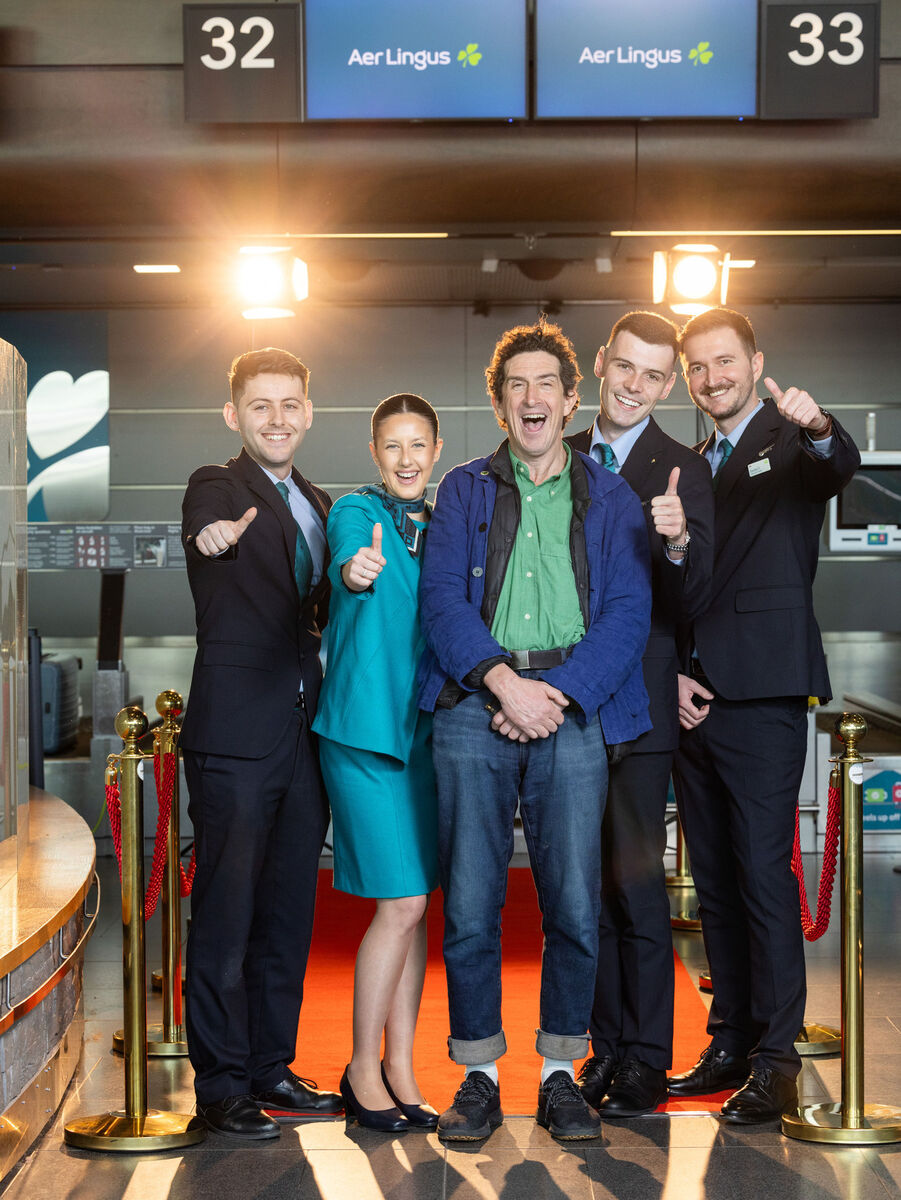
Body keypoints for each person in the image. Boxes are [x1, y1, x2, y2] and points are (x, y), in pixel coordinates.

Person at [417, 318, 653, 1143]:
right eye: (514, 384)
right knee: (472, 906)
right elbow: (440, 603)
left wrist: (556, 696)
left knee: (575, 907)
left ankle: (559, 1074)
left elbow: (627, 613)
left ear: (569, 397)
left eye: (544, 383)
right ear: (497, 401)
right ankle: (478, 1076)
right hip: (474, 707)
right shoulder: (461, 490)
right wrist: (502, 684)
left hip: (571, 711)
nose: (530, 398)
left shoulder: (609, 494)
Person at [668, 308, 860, 1123]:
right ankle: (729, 1039)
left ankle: (777, 1061)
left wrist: (818, 426)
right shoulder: (681, 463)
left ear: (754, 363)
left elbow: (834, 466)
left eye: (725, 362)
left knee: (761, 878)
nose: (712, 379)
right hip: (690, 698)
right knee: (714, 882)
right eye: (698, 368)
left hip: (763, 693)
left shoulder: (787, 443)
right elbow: (672, 579)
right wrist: (673, 671)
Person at [180, 347, 342, 1139]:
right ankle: (221, 1084)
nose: (276, 419)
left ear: (308, 413)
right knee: (226, 912)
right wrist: (212, 537)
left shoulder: (317, 498)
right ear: (234, 415)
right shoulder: (219, 484)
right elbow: (208, 531)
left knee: (286, 912)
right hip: (236, 735)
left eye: (289, 405)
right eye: (260, 406)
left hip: (300, 731)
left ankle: (270, 1064)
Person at [566, 311, 714, 1117]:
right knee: (583, 891)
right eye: (624, 366)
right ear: (600, 364)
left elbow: (698, 598)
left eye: (653, 376)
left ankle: (646, 1061)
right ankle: (604, 1050)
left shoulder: (681, 468)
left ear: (667, 385)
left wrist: (680, 542)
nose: (633, 384)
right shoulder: (560, 450)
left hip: (642, 707)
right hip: (568, 702)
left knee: (636, 888)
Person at [312, 394, 444, 1133]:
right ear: (374, 452)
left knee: (416, 904)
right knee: (399, 904)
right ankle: (361, 1068)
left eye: (417, 445)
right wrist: (355, 572)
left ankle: (401, 1065)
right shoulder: (353, 512)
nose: (404, 459)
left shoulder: (444, 518)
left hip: (426, 734)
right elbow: (345, 567)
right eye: (391, 445)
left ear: (434, 448)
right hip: (364, 733)